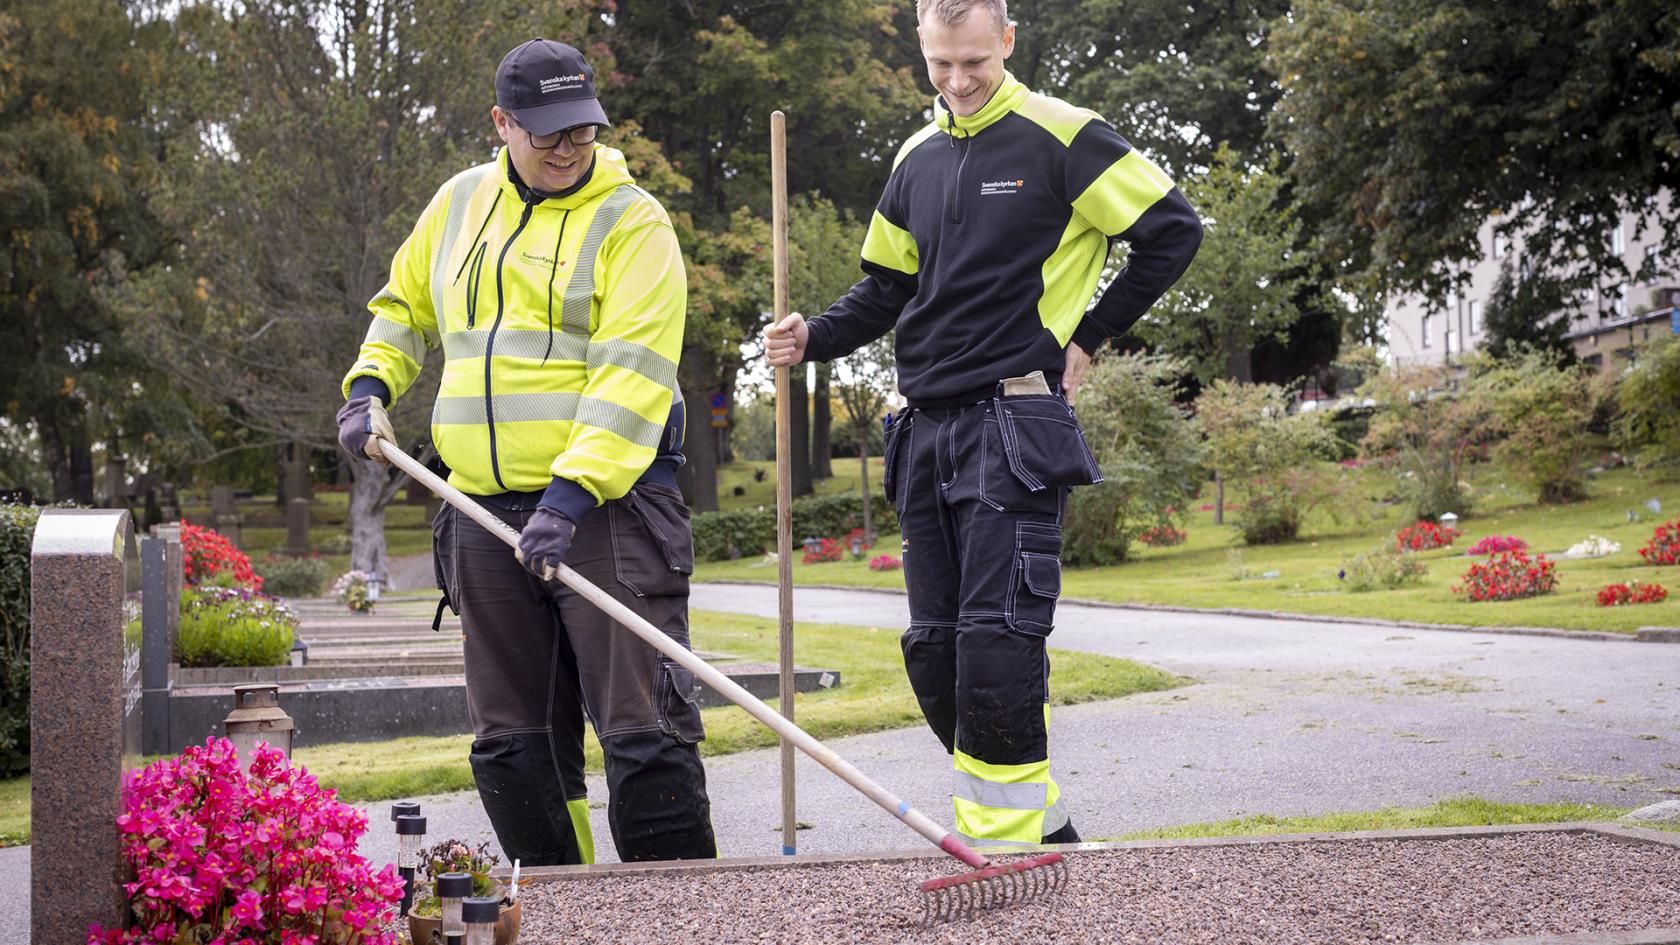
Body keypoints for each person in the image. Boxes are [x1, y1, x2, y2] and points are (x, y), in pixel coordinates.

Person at [764, 0, 1202, 848]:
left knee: (998, 646)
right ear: (921, 50)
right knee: (936, 654)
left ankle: (1002, 854)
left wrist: (1090, 336)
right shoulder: (915, 155)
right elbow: (887, 290)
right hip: (922, 432)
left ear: (1006, 41)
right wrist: (812, 335)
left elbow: (1171, 231)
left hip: (1014, 421)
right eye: (940, 65)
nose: (959, 82)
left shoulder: (1065, 136)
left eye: (975, 62)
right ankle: (1047, 829)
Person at [336, 38, 715, 866]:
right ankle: (561, 902)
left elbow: (633, 374)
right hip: (479, 510)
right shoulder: (459, 203)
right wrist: (369, 386)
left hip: (607, 511)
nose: (567, 147)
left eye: (580, 129)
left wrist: (569, 497)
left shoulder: (632, 220)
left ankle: (681, 912)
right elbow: (403, 306)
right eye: (545, 132)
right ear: (502, 122)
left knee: (641, 729)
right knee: (513, 741)